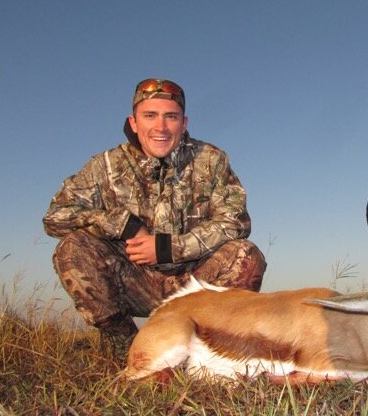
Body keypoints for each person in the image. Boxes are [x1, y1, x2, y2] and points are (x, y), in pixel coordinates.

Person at [43, 78, 267, 363]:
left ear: (183, 123)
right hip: (135, 280)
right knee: (73, 248)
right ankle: (126, 348)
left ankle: (209, 353)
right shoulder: (105, 165)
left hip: (196, 284)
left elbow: (236, 221)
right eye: (150, 115)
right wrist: (123, 225)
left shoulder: (211, 159)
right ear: (133, 122)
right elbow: (55, 216)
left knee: (246, 255)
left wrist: (167, 248)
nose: (160, 127)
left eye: (170, 117)